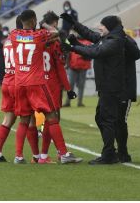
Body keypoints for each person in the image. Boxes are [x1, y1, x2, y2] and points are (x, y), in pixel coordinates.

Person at [10, 9, 82, 164]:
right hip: (36, 83)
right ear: (34, 20)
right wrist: (44, 25)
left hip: (20, 83)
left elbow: (30, 38)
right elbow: (57, 33)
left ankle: (18, 156)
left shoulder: (14, 34)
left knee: (24, 120)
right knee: (52, 117)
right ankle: (63, 153)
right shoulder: (39, 35)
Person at [61, 13, 125, 165]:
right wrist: (74, 23)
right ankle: (111, 151)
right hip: (107, 86)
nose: (99, 28)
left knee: (106, 119)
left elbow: (96, 52)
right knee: (101, 117)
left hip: (111, 87)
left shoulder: (115, 41)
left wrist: (72, 47)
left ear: (109, 27)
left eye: (102, 26)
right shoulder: (108, 38)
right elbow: (89, 34)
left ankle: (109, 153)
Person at [0, 16, 41, 163]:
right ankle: (35, 156)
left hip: (7, 81)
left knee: (8, 119)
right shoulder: (23, 40)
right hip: (19, 82)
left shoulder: (7, 40)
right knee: (29, 119)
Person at [38, 10, 77, 163]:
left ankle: (41, 155)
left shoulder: (36, 38)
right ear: (54, 23)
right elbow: (60, 68)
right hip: (51, 85)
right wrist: (68, 88)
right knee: (53, 118)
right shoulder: (54, 41)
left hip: (35, 82)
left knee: (46, 120)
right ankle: (61, 153)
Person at [116, 34, 140, 162]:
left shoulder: (127, 40)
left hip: (126, 89)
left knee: (120, 121)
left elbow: (137, 54)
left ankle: (123, 151)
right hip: (112, 88)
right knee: (105, 118)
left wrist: (124, 39)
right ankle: (113, 150)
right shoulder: (110, 40)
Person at [63, 31, 91, 107]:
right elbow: (68, 53)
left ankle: (79, 102)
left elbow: (89, 55)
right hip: (73, 67)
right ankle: (68, 102)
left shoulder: (88, 42)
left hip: (83, 68)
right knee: (71, 86)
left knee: (80, 86)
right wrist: (67, 64)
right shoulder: (73, 41)